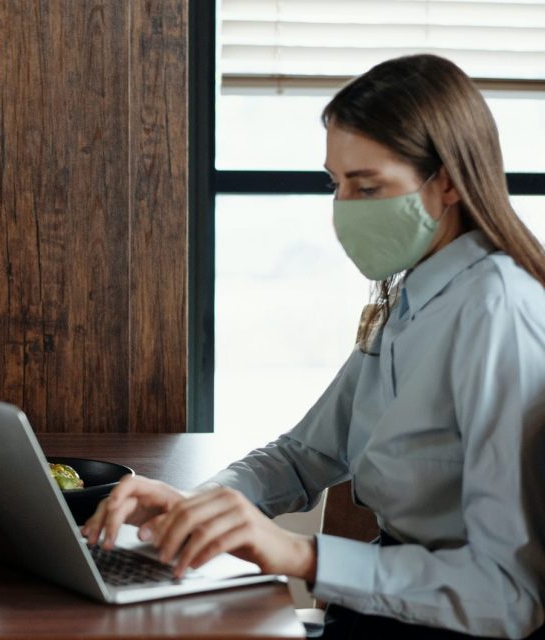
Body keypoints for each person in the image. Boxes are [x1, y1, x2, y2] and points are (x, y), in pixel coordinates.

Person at [84, 54, 545, 639]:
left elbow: (508, 595)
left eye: (368, 185)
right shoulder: (414, 297)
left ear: (449, 180)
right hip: (377, 607)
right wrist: (197, 505)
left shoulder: (497, 310)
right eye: (337, 184)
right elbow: (304, 455)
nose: (344, 208)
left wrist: (300, 556)